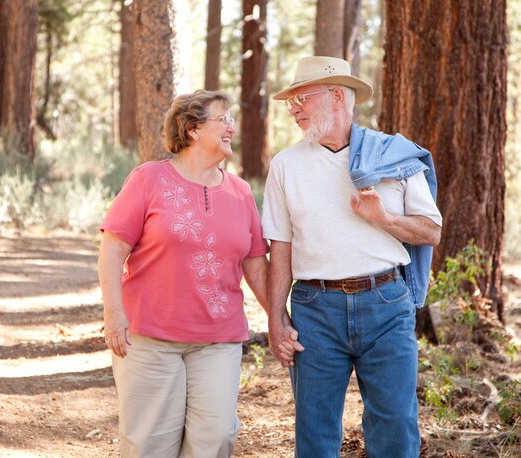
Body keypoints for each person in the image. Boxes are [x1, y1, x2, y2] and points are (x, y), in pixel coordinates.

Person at [262, 56, 443, 457]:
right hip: (314, 308)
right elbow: (281, 247)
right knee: (315, 431)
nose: (294, 110)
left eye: (301, 99)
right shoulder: (285, 166)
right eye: (290, 102)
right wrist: (276, 320)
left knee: (395, 425)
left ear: (337, 97)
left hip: (386, 304)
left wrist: (384, 218)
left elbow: (431, 230)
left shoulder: (392, 157)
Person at [97, 89, 269, 458]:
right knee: (149, 445)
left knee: (217, 437)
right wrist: (113, 314)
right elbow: (112, 248)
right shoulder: (148, 179)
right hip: (150, 338)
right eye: (223, 119)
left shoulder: (240, 192)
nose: (231, 128)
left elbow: (255, 262)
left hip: (218, 339)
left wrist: (279, 320)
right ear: (192, 129)